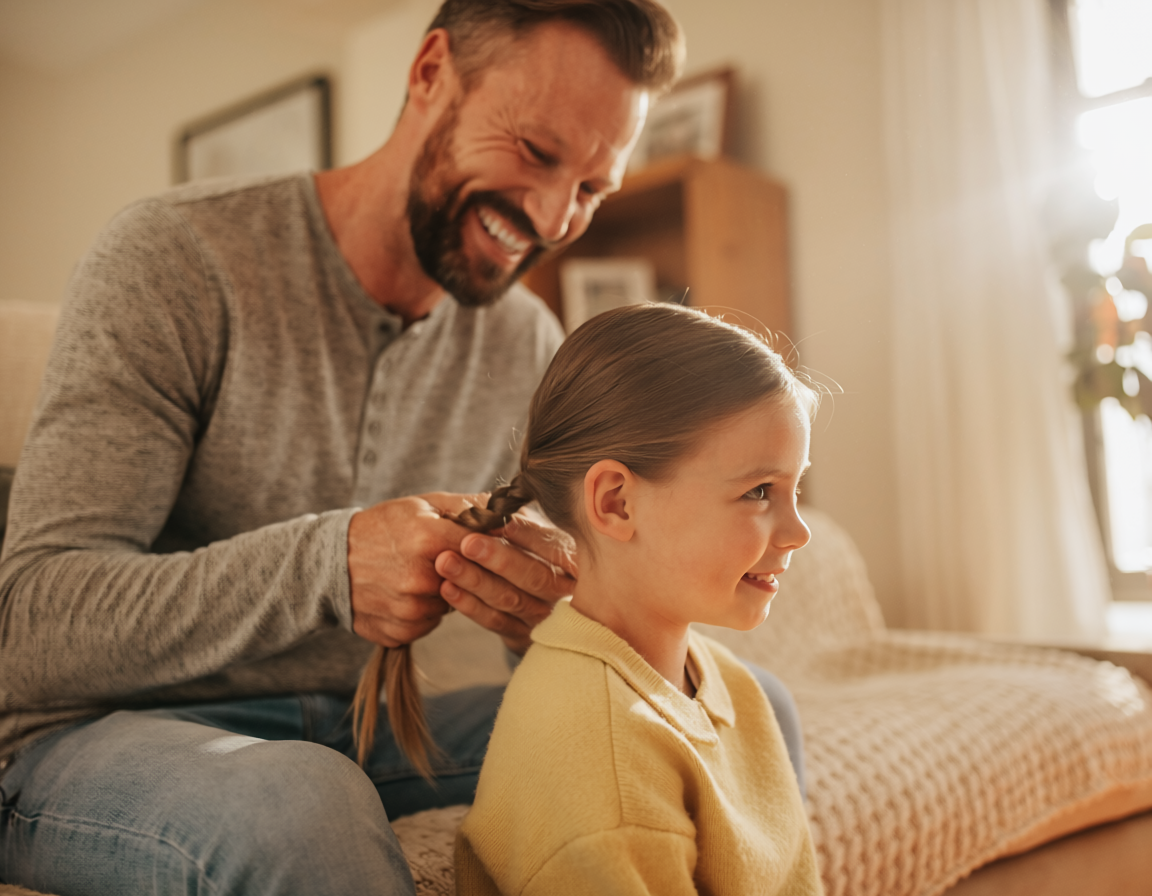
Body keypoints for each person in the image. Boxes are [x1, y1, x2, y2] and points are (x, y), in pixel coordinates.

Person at [0, 2, 803, 894]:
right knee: (302, 802)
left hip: (364, 725)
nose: (547, 216)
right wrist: (329, 562)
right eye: (536, 153)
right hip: (92, 742)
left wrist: (550, 610)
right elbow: (30, 625)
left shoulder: (524, 344)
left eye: (589, 190)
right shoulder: (175, 261)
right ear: (430, 74)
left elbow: (567, 639)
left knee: (741, 706)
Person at [452, 302, 823, 896]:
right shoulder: (606, 773)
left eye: (793, 488)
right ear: (617, 503)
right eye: (759, 490)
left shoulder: (726, 680)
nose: (800, 531)